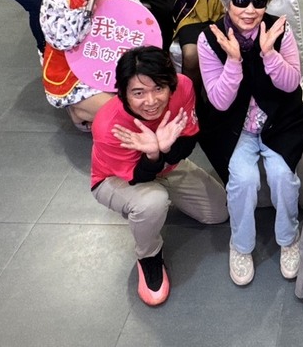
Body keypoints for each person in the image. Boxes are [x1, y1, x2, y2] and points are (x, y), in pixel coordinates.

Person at [198, 0, 303, 286]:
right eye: (241, 1)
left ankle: (288, 238)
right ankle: (241, 245)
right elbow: (219, 102)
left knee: (282, 177)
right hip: (234, 126)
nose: (250, 10)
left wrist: (269, 54)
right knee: (243, 180)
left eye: (259, 2)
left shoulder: (279, 30)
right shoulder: (210, 39)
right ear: (226, 2)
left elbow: (291, 83)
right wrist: (234, 62)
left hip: (280, 120)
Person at [91, 46, 228, 306]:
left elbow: (188, 140)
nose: (151, 101)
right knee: (152, 200)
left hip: (167, 164)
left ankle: (157, 203)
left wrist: (163, 151)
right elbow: (138, 176)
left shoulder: (184, 86)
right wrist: (153, 154)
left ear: (171, 84)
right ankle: (149, 255)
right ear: (123, 93)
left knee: (219, 211)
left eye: (159, 88)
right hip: (116, 178)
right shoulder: (108, 124)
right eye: (138, 93)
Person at [40, 0, 140, 130]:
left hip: (111, 64)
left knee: (145, 103)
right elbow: (59, 39)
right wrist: (85, 12)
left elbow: (139, 31)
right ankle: (82, 112)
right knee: (124, 115)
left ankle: (82, 114)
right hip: (73, 69)